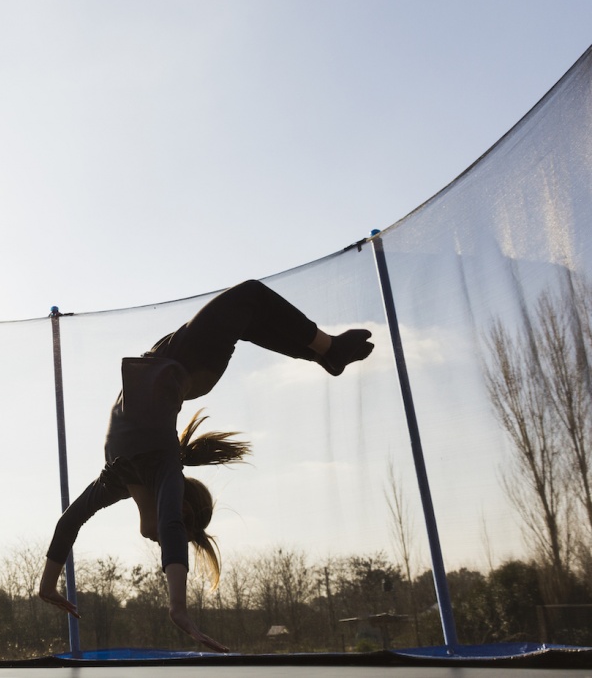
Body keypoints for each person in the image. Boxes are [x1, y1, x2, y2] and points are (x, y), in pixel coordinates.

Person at [38, 279, 375, 652]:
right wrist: (177, 608)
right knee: (249, 296)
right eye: (178, 534)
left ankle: (325, 355)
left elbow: (70, 521)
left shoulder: (114, 481)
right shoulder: (165, 466)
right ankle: (329, 350)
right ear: (182, 511)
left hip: (178, 366)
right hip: (184, 360)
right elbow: (168, 524)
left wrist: (47, 584)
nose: (158, 540)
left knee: (248, 316)